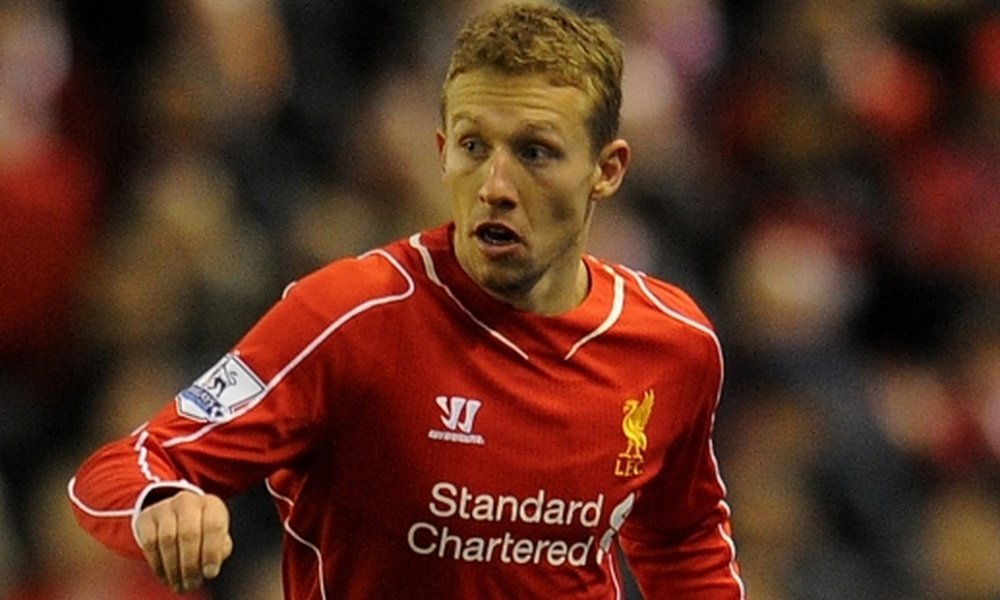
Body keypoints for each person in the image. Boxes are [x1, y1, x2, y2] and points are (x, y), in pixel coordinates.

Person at [68, 3, 745, 598]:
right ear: (443, 152)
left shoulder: (671, 343)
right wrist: (163, 501)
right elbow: (125, 466)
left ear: (607, 170)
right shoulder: (347, 316)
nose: (497, 185)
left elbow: (683, 545)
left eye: (536, 152)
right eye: (475, 147)